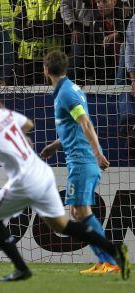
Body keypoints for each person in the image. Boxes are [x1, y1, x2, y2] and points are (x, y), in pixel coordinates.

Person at [0, 79, 130, 281]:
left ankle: (21, 268)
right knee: (62, 224)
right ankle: (114, 251)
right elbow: (28, 124)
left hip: (24, 180)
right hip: (42, 173)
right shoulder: (3, 114)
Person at [40, 51, 118, 273]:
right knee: (77, 211)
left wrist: (97, 153)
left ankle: (111, 260)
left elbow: (86, 124)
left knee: (80, 211)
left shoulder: (66, 94)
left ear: (45, 70)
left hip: (83, 160)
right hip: (80, 159)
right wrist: (55, 146)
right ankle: (105, 260)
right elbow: (75, 127)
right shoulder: (71, 89)